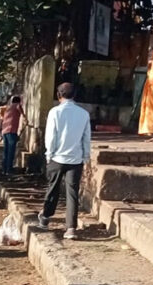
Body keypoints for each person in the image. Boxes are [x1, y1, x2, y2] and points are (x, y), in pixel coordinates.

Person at [38, 82, 91, 240]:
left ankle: (46, 218)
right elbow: (86, 138)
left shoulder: (55, 112)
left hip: (57, 157)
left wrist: (49, 154)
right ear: (75, 95)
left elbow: (51, 136)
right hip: (75, 159)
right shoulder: (84, 114)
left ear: (58, 95)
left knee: (53, 188)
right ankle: (71, 228)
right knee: (72, 193)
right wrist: (86, 157)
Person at [0, 96, 27, 175]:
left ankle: (4, 169)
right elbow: (19, 109)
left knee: (6, 151)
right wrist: (25, 118)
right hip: (11, 131)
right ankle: (9, 170)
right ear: (18, 101)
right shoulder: (17, 106)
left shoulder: (8, 108)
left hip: (5, 131)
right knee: (11, 151)